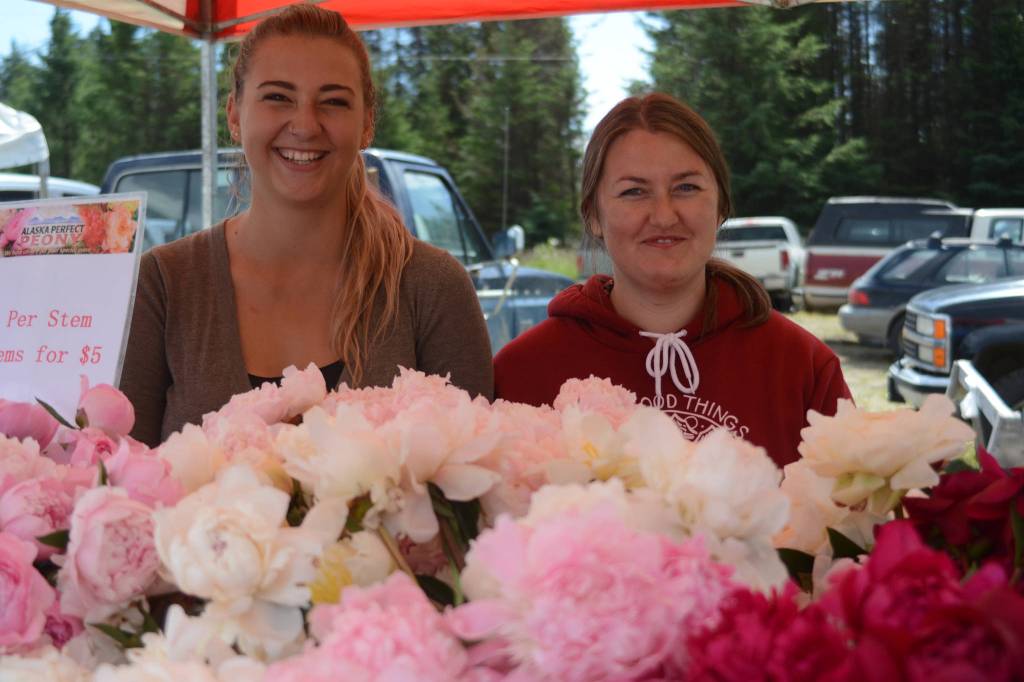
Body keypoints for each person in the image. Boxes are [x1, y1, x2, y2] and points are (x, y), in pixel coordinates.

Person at [120, 5, 493, 447]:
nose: (304, 125)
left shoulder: (430, 287)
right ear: (235, 115)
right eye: (278, 97)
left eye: (333, 102)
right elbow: (123, 475)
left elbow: (475, 486)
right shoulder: (164, 283)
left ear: (367, 123)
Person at [493, 93, 851, 468]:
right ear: (594, 216)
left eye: (686, 188)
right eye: (634, 191)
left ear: (721, 206)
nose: (664, 216)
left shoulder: (802, 367)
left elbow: (849, 520)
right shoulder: (522, 374)